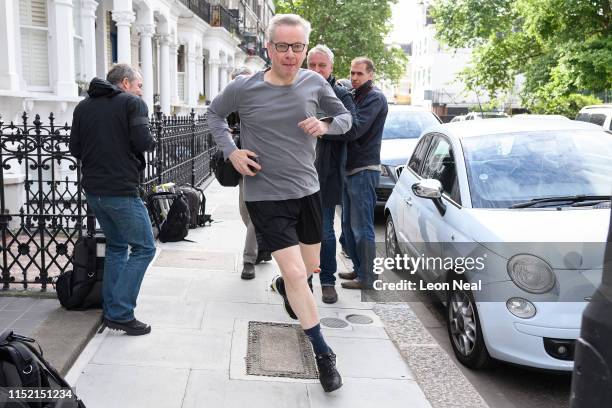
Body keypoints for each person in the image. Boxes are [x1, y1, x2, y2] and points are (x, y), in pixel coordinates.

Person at [207, 14, 352, 392]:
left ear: (306, 48)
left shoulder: (315, 82)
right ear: (269, 48)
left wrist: (325, 125)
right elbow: (214, 115)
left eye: (297, 47)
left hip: (307, 190)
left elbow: (345, 118)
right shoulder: (245, 87)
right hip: (265, 195)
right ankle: (323, 354)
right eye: (282, 46)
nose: (290, 54)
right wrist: (233, 153)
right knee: (292, 272)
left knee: (310, 269)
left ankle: (288, 288)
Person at [69, 64, 156, 336]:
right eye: (139, 84)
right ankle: (120, 312)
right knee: (144, 248)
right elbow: (144, 142)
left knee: (117, 246)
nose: (141, 90)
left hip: (94, 191)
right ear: (126, 83)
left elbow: (75, 148)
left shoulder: (83, 107)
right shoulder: (132, 104)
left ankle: (111, 308)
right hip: (121, 190)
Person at [306, 44, 357, 304]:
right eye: (312, 65)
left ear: (331, 68)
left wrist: (324, 125)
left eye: (321, 65)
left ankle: (327, 280)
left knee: (325, 229)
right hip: (295, 173)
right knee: (299, 232)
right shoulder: (295, 89)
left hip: (325, 175)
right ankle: (301, 281)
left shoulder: (339, 93)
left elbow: (352, 127)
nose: (316, 70)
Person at [338, 57, 388, 290]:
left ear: (370, 75)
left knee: (361, 227)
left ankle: (368, 278)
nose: (354, 77)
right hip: (351, 168)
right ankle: (360, 270)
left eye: (359, 74)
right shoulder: (357, 95)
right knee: (348, 227)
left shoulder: (374, 97)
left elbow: (355, 129)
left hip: (364, 169)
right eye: (352, 73)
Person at [227, 66, 272, 280]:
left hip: (262, 164)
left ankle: (249, 259)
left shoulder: (262, 102)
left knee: (254, 213)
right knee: (245, 212)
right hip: (241, 163)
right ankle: (263, 245)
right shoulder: (231, 106)